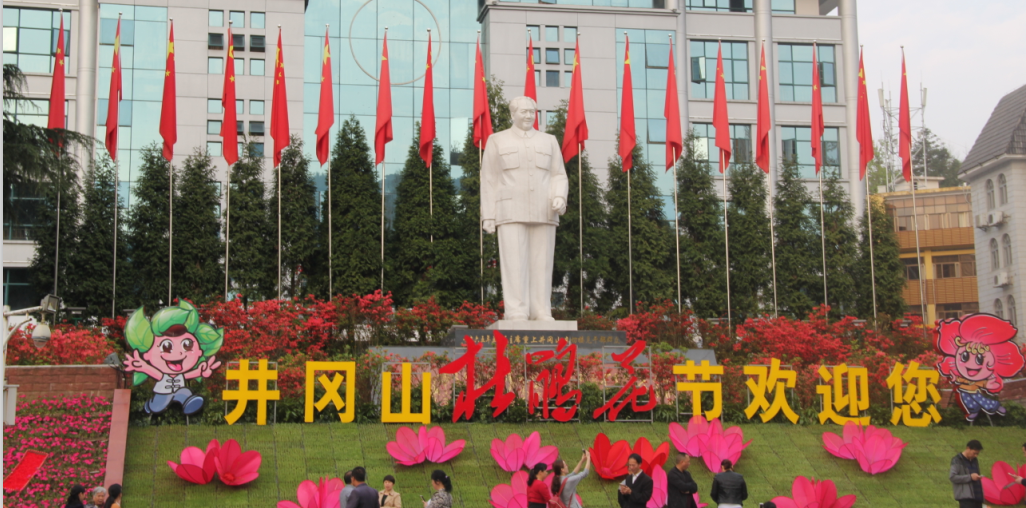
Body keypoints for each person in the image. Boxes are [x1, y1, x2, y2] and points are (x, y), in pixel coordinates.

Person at [480, 96, 569, 321]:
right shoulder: (497, 140)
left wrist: (559, 195)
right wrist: (488, 216)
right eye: (524, 112)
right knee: (514, 262)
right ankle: (516, 310)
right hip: (510, 210)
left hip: (544, 210)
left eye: (532, 112)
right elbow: (489, 178)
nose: (529, 116)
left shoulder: (549, 140)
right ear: (512, 114)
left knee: (542, 263)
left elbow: (558, 173)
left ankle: (541, 309)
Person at [950, 440, 985, 508]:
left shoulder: (974, 460)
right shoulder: (957, 460)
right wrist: (970, 477)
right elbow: (953, 477)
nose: (975, 455)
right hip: (966, 498)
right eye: (974, 453)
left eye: (977, 454)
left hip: (978, 497)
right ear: (968, 448)